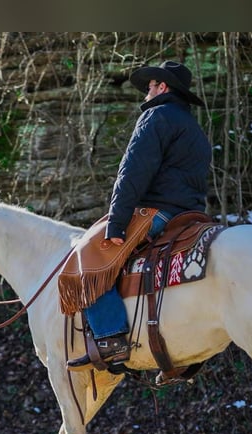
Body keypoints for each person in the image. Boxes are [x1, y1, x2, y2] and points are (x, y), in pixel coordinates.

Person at [66, 60, 212, 372]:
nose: (146, 94)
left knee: (88, 258)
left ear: (163, 87)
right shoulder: (195, 129)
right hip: (192, 215)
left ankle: (109, 339)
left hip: (157, 212)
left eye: (150, 87)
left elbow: (131, 174)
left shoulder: (155, 116)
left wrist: (117, 224)